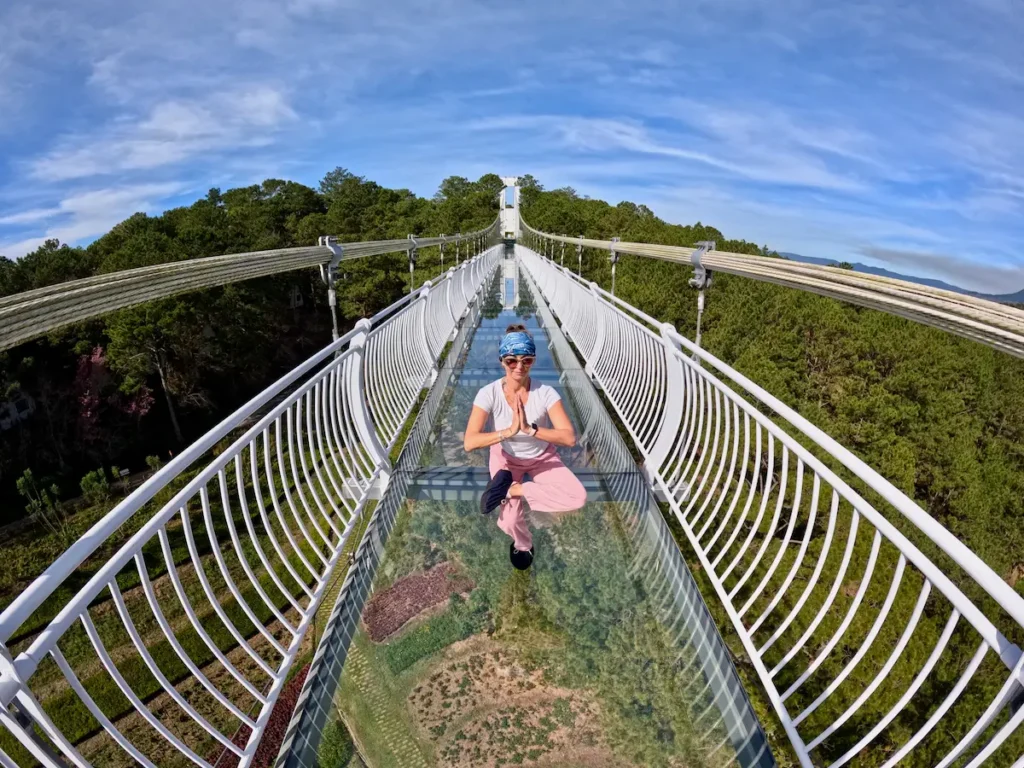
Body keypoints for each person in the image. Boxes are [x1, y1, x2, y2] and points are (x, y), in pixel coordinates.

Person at [463, 324, 587, 570]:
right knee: (509, 521)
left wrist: (531, 430)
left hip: (542, 457)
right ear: (502, 361)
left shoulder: (545, 393)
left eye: (526, 360)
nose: (519, 367)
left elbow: (569, 438)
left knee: (578, 497)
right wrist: (509, 431)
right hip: (506, 458)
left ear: (533, 361)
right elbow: (470, 442)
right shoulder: (488, 394)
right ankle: (523, 543)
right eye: (512, 361)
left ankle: (514, 490)